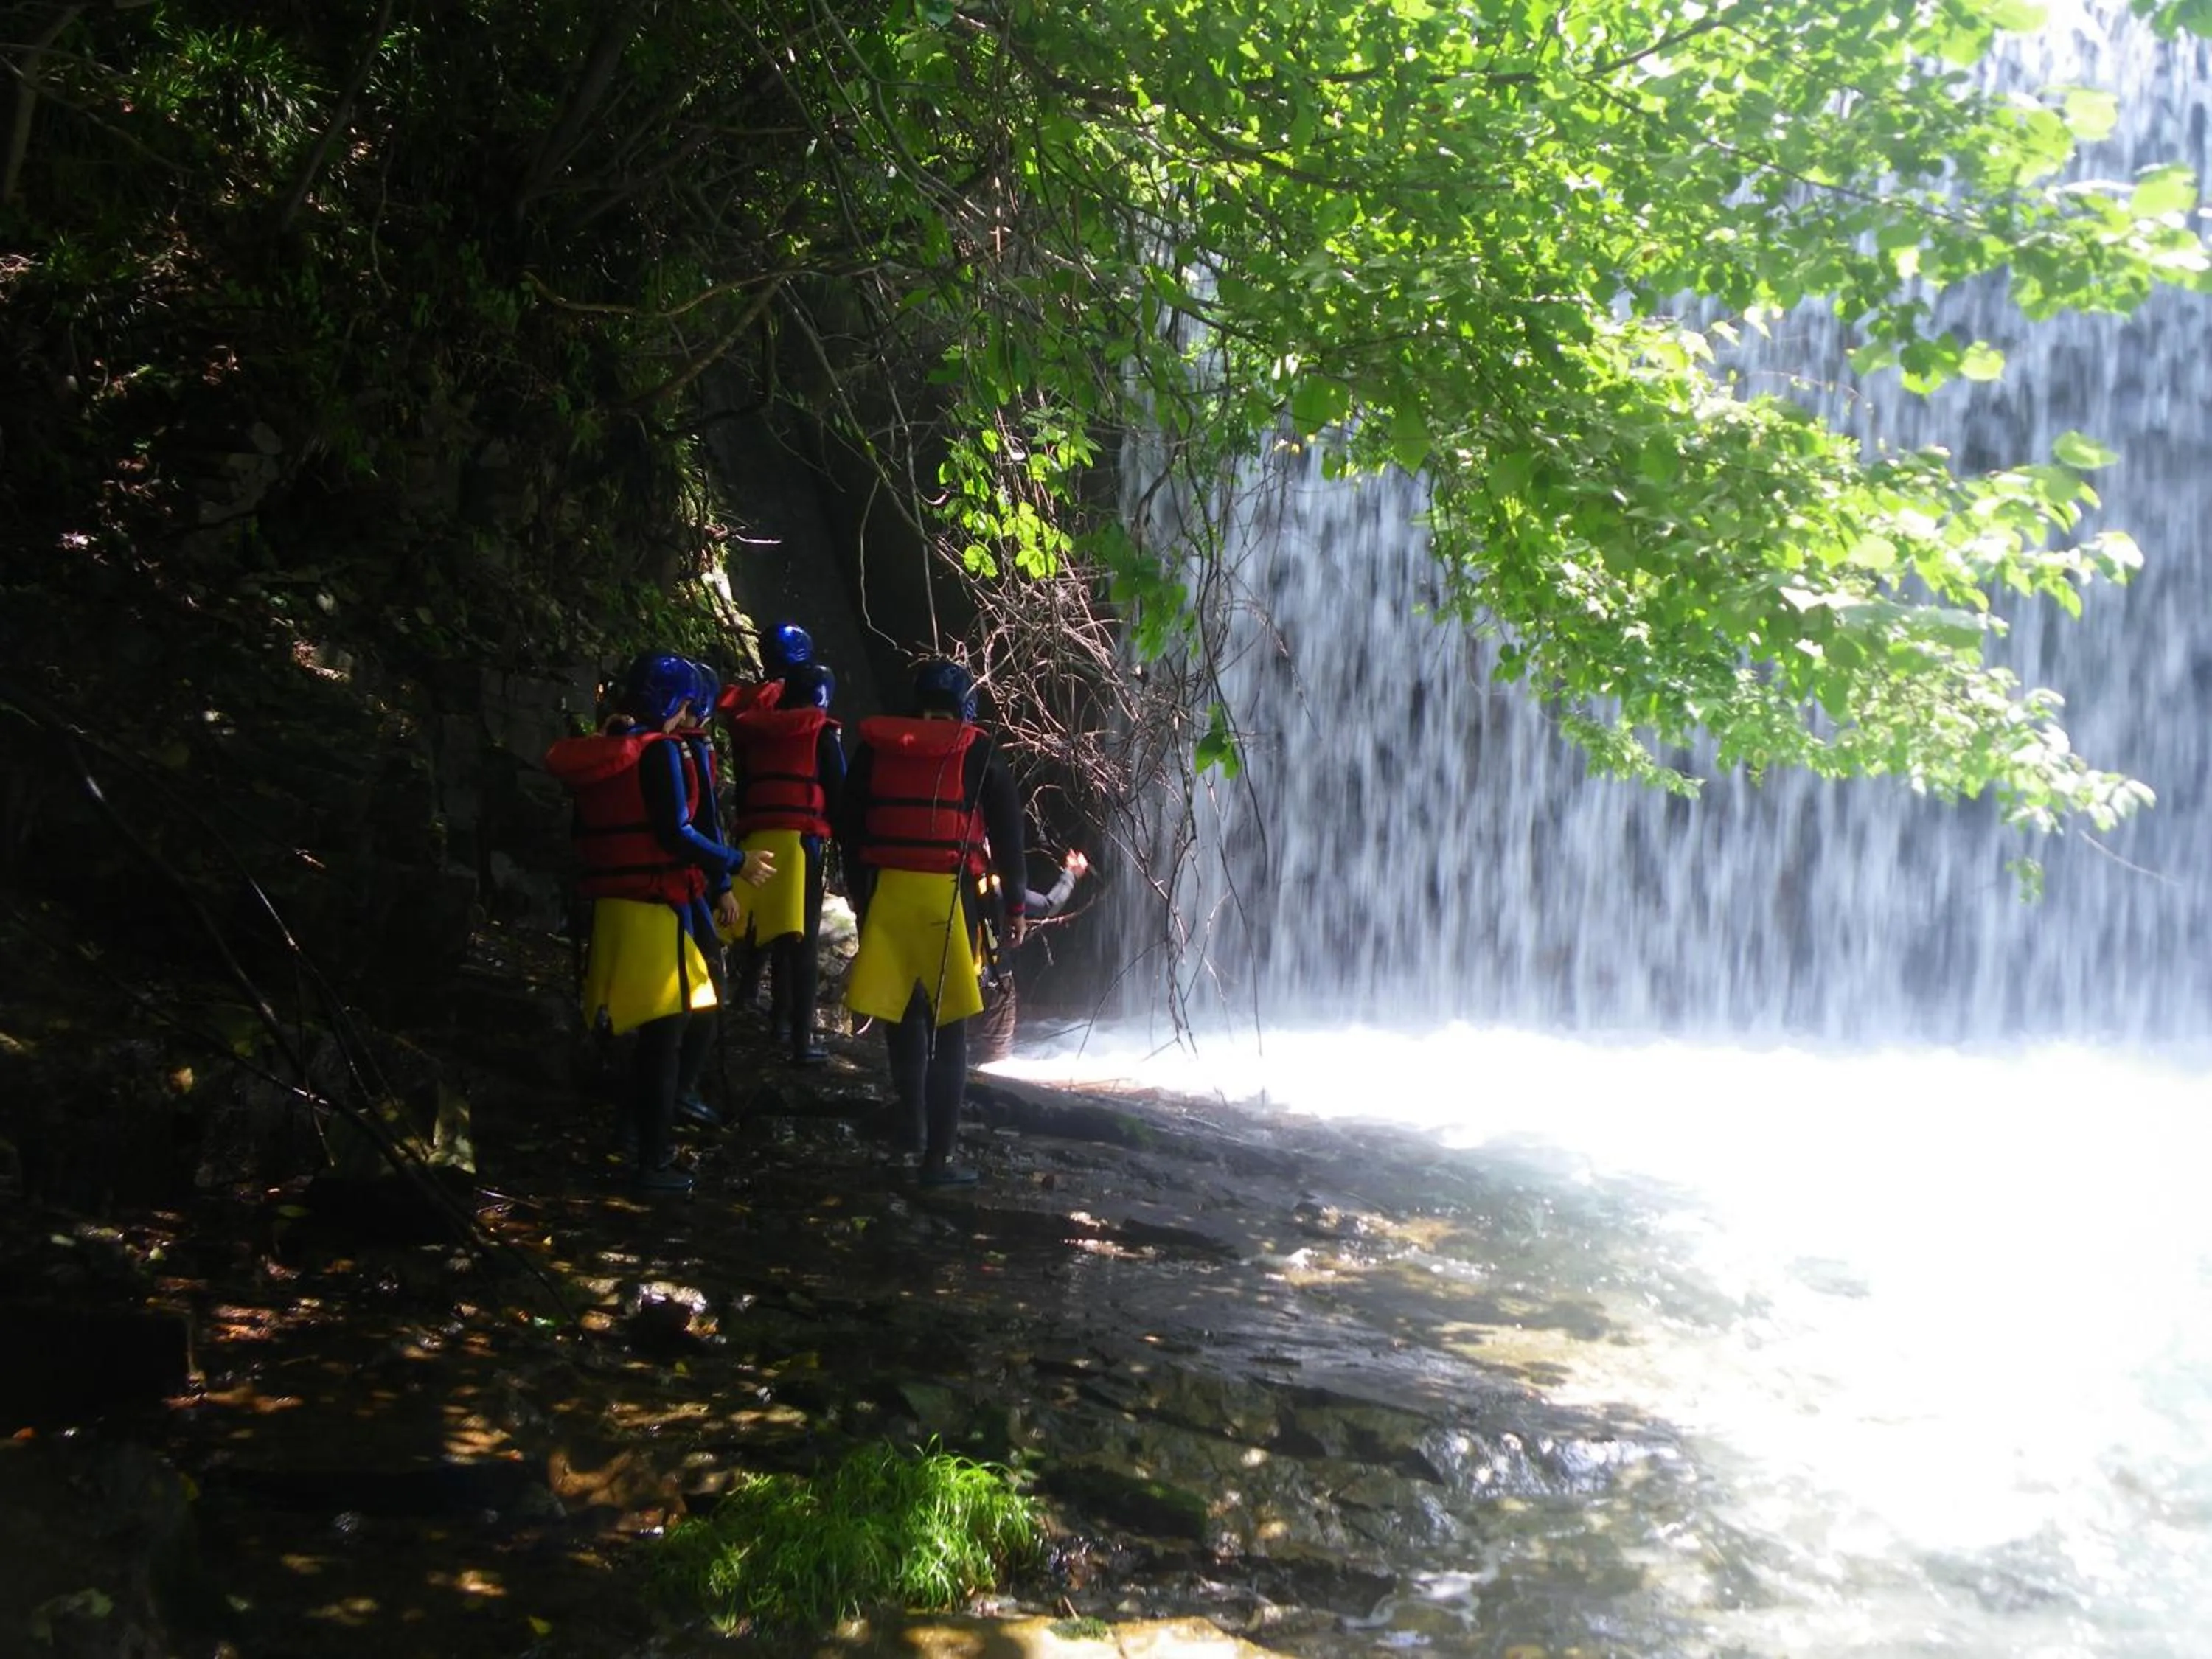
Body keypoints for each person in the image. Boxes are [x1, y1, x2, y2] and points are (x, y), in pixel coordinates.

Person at [543, 652, 775, 1193]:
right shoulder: (660, 752)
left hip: (615, 907)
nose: (688, 716)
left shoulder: (607, 749)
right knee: (665, 1038)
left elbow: (582, 834)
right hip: (655, 906)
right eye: (686, 705)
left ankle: (632, 1136)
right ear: (674, 702)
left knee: (653, 1036)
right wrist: (736, 863)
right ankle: (655, 1160)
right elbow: (676, 832)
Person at [838, 658, 1026, 1187]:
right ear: (965, 706)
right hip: (950, 898)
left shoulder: (877, 748)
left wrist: (862, 897)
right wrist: (1014, 909)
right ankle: (938, 1159)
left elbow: (849, 828)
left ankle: (911, 1127)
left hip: (889, 894)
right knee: (950, 1027)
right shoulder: (979, 751)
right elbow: (1008, 837)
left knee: (904, 1016)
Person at [722, 658, 845, 1065]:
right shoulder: (821, 735)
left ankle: (772, 1017)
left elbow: (745, 786)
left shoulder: (755, 732)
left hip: (756, 842)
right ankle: (800, 1040)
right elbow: (839, 794)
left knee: (767, 931)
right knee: (801, 941)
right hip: (799, 843)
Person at [972, 846, 1089, 1064]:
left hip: (957, 974)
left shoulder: (953, 886)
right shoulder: (995, 889)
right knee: (994, 1053)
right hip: (994, 980)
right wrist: (1071, 874)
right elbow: (1049, 905)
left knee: (955, 1040)